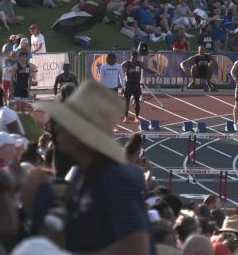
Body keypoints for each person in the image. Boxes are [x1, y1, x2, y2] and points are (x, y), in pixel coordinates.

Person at [34, 81, 153, 254]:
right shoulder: (84, 174)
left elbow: (136, 246)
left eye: (64, 123)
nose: (56, 128)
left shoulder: (115, 181)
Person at [121, 51, 160, 123]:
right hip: (128, 84)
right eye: (134, 57)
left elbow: (146, 69)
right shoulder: (126, 63)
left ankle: (136, 117)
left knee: (137, 102)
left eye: (136, 57)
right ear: (131, 56)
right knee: (126, 102)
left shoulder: (139, 64)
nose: (135, 59)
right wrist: (123, 80)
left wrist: (155, 72)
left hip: (136, 85)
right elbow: (119, 70)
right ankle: (126, 117)